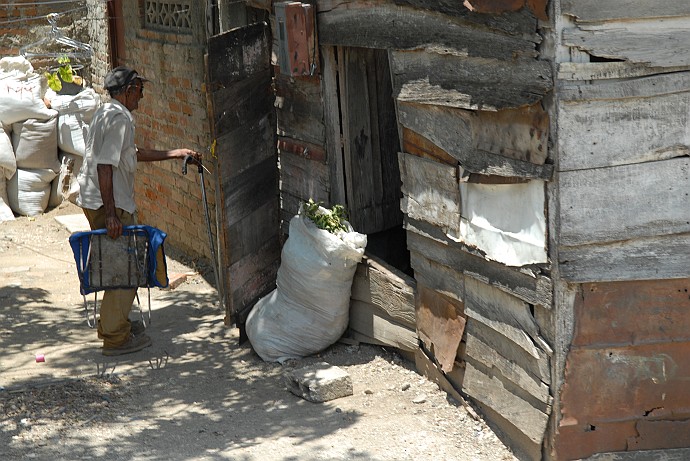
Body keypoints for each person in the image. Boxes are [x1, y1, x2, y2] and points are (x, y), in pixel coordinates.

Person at [76, 66, 200, 356]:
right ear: (129, 89)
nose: (142, 96)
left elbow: (130, 154)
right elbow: (105, 165)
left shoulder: (107, 113)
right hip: (110, 203)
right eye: (140, 90)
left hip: (97, 199)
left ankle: (111, 326)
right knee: (127, 268)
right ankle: (116, 338)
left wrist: (175, 153)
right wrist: (110, 214)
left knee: (118, 264)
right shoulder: (119, 118)